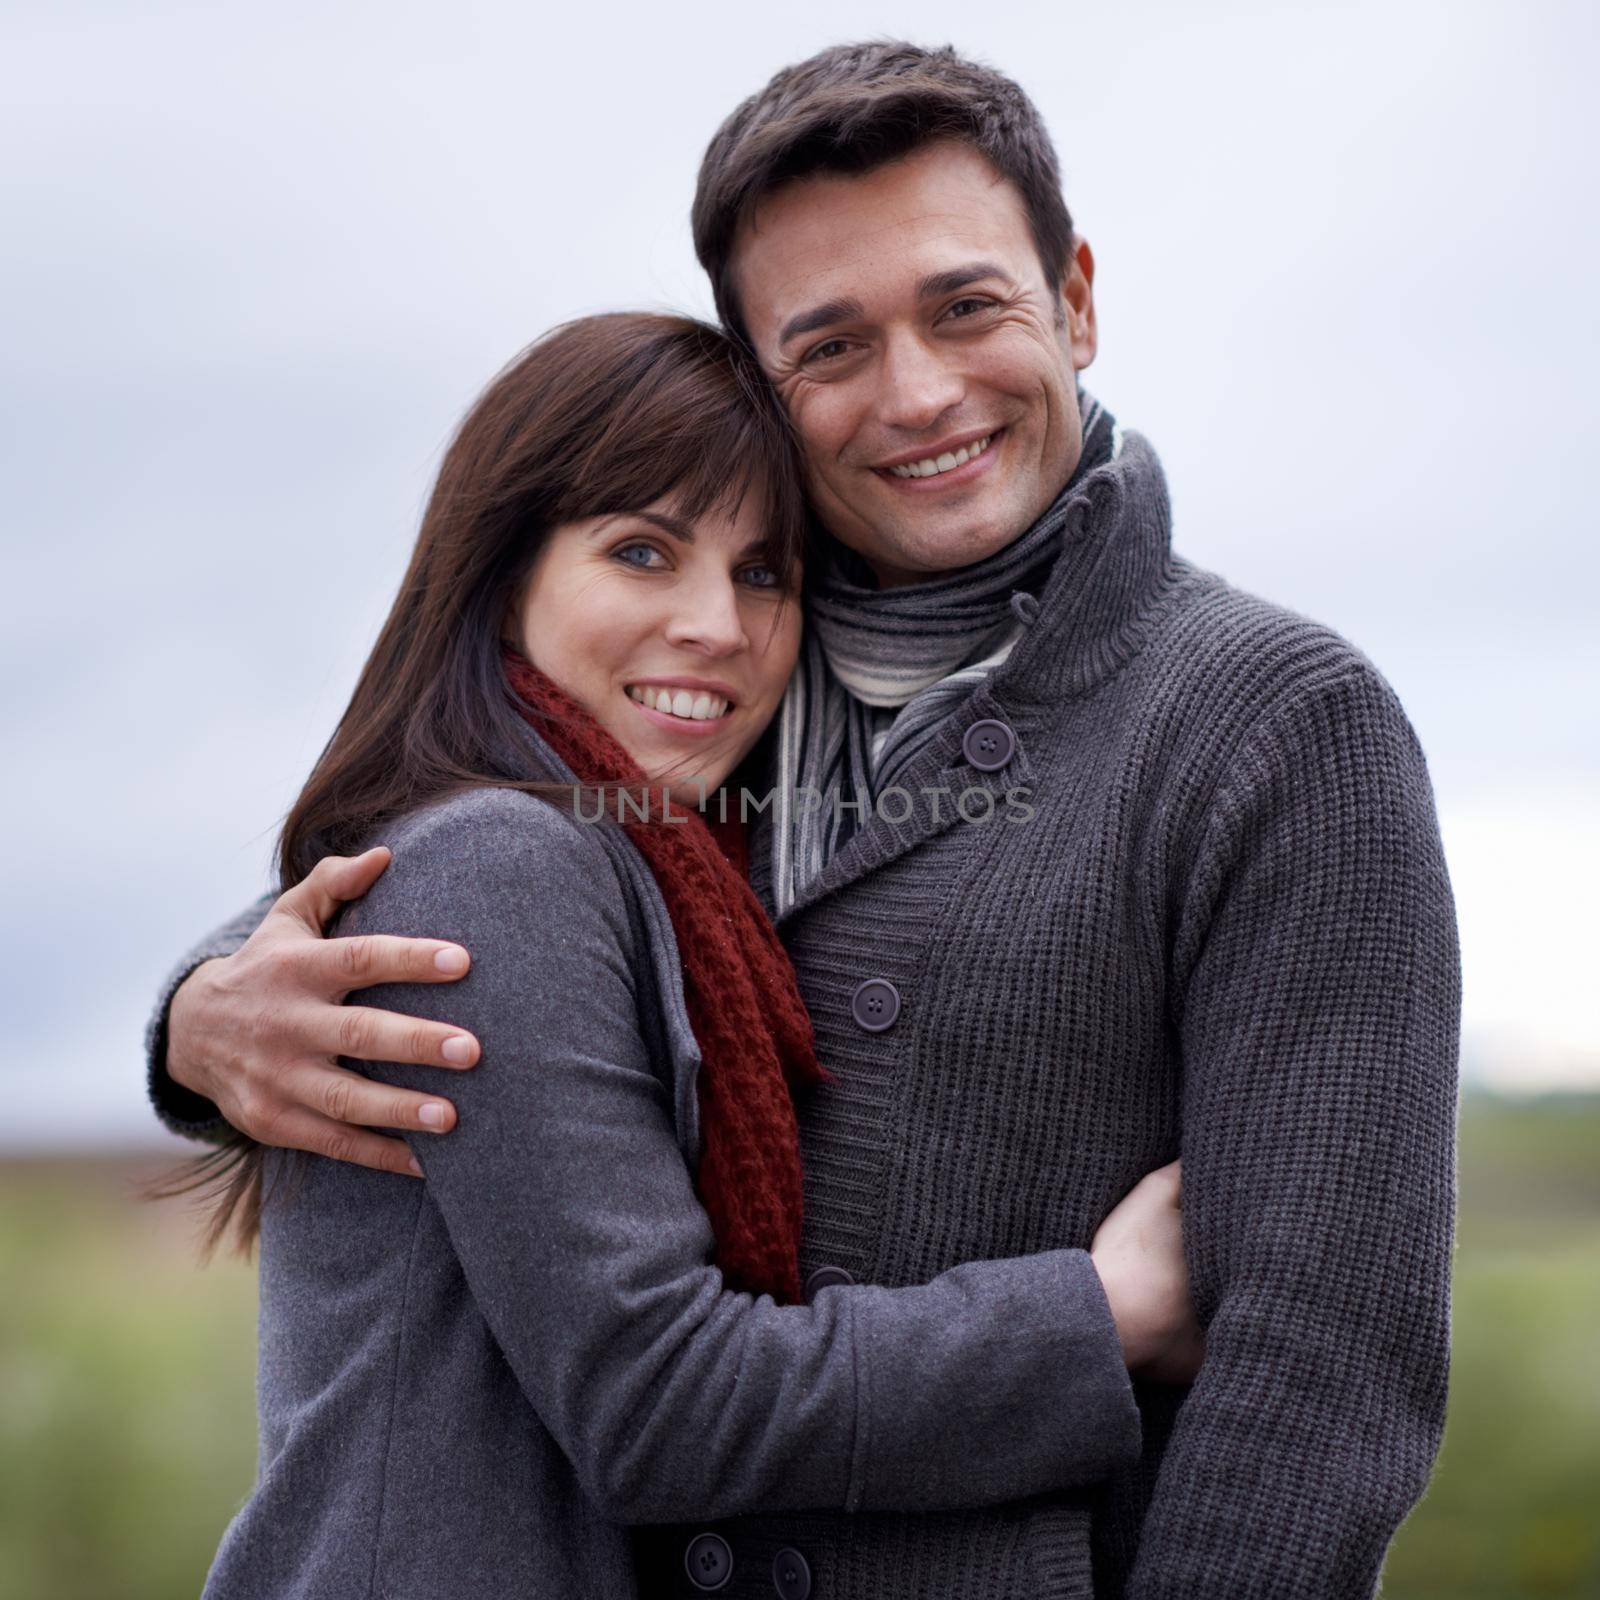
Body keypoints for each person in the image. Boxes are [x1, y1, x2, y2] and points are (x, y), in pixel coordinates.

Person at [148, 41, 1462, 1600]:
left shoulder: (1274, 723)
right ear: (767, 380)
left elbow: (1323, 1381)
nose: (918, 393)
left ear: (1080, 299)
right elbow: (478, 855)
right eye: (832, 345)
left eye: (967, 306)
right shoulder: (710, 703)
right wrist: (197, 1017)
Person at [170, 311, 1201, 1600]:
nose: (716, 625)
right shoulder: (511, 855)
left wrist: (190, 1010)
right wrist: (1096, 1321)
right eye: (642, 552)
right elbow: (661, 1402)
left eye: (763, 573)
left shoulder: (656, 842)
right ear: (500, 574)